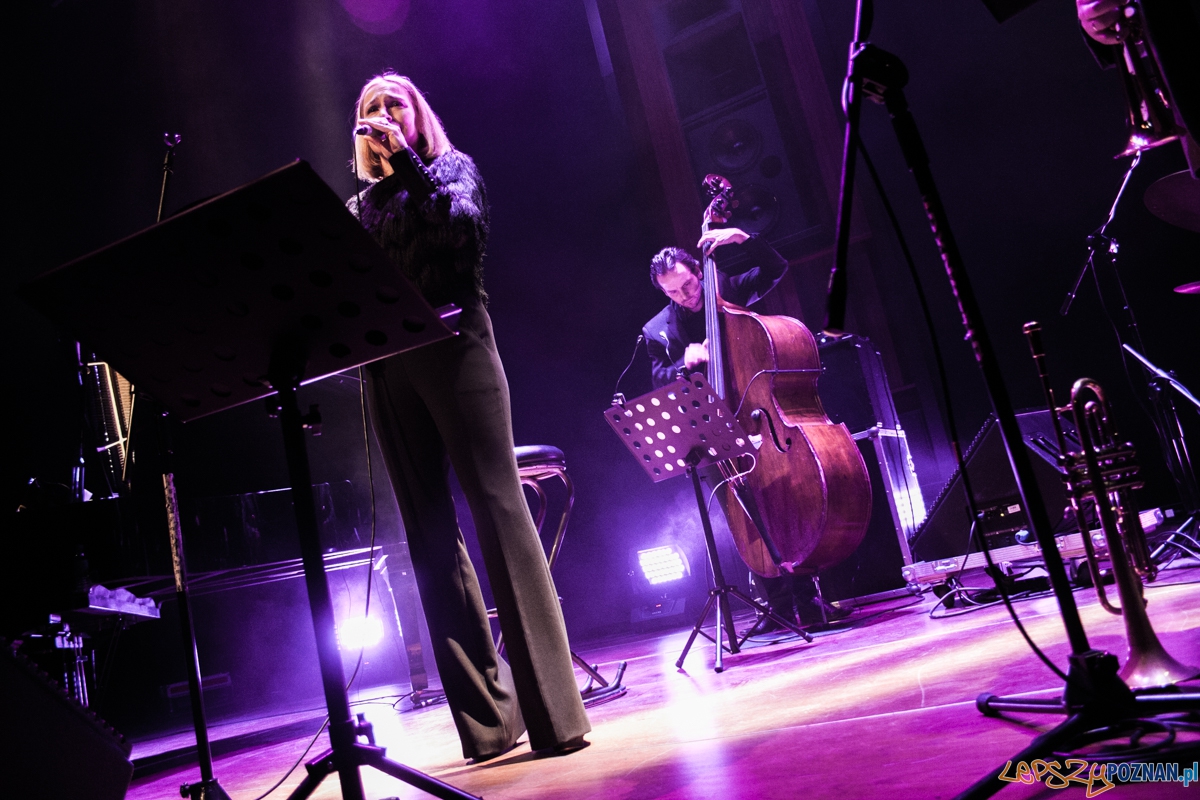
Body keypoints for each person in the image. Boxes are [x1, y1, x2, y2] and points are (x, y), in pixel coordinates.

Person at [346, 73, 589, 762]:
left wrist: (412, 164)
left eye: (395, 104)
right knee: (426, 535)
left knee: (497, 509)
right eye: (369, 110)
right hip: (389, 361)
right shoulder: (361, 206)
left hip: (457, 345)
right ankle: (488, 721)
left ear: (418, 115)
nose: (383, 115)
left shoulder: (452, 169)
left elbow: (460, 232)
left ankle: (554, 713)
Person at [643, 231, 850, 635]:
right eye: (673, 292)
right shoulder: (656, 331)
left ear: (697, 271)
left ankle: (807, 603)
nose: (685, 295)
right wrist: (683, 364)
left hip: (760, 423)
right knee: (745, 519)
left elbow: (776, 268)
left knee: (786, 508)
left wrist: (744, 238)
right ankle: (773, 607)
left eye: (687, 284)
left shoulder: (728, 288)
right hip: (712, 435)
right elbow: (658, 384)